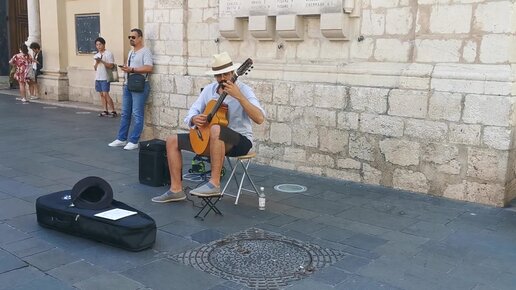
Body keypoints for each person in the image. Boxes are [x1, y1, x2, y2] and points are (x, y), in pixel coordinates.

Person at [151, 52, 265, 203]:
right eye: (218, 75)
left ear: (232, 72)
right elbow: (191, 112)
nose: (222, 78)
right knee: (172, 140)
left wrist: (239, 96)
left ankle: (214, 183)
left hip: (240, 140)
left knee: (216, 129)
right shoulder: (209, 90)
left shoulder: (244, 90)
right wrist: (194, 118)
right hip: (212, 140)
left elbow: (259, 118)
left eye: (225, 74)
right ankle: (176, 190)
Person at [108, 28, 153, 150]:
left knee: (137, 114)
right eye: (129, 37)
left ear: (140, 38)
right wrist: (127, 68)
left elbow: (149, 67)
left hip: (140, 85)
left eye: (133, 37)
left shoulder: (145, 51)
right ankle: (121, 138)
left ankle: (134, 140)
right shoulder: (130, 52)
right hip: (128, 84)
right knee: (125, 113)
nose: (131, 39)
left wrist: (133, 70)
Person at [93, 37, 117, 117]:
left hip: (105, 77)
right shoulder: (96, 55)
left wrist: (102, 61)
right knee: (101, 94)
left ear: (103, 44)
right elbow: (95, 68)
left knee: (105, 93)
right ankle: (105, 110)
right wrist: (97, 62)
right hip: (98, 77)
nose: (98, 46)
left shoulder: (108, 54)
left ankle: (113, 110)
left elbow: (111, 65)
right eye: (97, 45)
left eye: (100, 44)